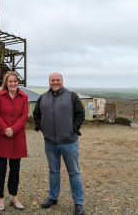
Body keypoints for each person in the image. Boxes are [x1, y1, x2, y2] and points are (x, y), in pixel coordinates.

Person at [33, 72, 85, 215]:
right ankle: (53, 197)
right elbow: (36, 114)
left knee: (74, 173)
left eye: (58, 80)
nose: (55, 82)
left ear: (62, 81)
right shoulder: (43, 98)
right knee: (53, 171)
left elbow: (80, 113)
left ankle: (78, 203)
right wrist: (40, 127)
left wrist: (74, 128)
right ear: (49, 82)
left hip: (69, 142)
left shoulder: (71, 96)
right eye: (52, 80)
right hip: (50, 143)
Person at [0, 71, 28, 211]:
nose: (13, 84)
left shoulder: (24, 97)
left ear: (18, 83)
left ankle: (14, 197)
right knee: (1, 170)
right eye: (10, 81)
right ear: (6, 83)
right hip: (2, 136)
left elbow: (24, 115)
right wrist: (5, 129)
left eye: (15, 81)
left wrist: (14, 129)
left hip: (17, 137)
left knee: (15, 170)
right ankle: (0, 197)